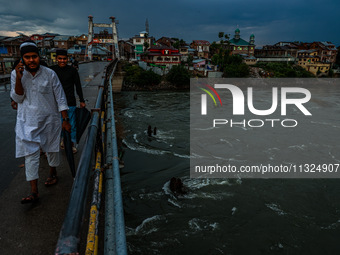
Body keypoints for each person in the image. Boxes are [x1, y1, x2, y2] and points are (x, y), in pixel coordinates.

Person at [10, 41, 70, 204]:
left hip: (50, 120)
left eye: (34, 56)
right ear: (22, 59)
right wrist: (19, 78)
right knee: (30, 155)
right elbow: (18, 98)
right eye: (27, 57)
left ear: (39, 57)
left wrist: (65, 119)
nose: (31, 60)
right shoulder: (16, 74)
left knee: (51, 149)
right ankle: (34, 191)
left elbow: (60, 97)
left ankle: (52, 172)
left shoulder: (50, 73)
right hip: (27, 121)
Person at [51, 49, 86, 153]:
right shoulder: (51, 71)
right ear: (56, 59)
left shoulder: (72, 71)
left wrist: (82, 100)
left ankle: (71, 144)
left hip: (69, 101)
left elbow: (78, 86)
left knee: (72, 124)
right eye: (60, 59)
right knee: (58, 124)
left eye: (64, 59)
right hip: (55, 102)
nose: (62, 61)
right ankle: (63, 140)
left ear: (68, 59)